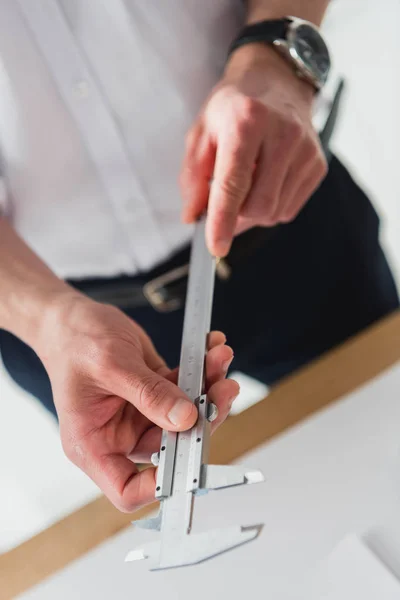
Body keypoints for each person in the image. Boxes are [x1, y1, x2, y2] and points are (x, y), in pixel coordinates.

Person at [0, 1, 398, 513]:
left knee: (389, 430)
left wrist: (274, 58)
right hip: (64, 321)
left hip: (282, 212)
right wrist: (50, 319)